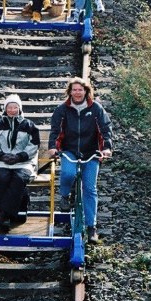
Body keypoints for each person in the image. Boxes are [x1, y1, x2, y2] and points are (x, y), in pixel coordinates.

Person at [47, 77, 112, 241]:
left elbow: (105, 129)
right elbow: (55, 131)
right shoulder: (62, 110)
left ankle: (91, 227)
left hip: (91, 152)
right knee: (67, 173)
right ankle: (64, 195)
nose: (77, 93)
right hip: (69, 150)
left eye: (80, 90)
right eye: (74, 90)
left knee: (90, 188)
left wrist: (106, 148)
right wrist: (53, 147)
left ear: (86, 91)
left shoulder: (96, 109)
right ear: (70, 92)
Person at [0, 93, 40, 230]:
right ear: (5, 109)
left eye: (15, 107)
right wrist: (1, 156)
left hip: (23, 162)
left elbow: (34, 145)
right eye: (9, 107)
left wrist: (19, 157)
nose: (12, 110)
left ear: (20, 109)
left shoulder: (29, 125)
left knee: (19, 178)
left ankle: (2, 215)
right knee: (2, 177)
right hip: (1, 161)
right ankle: (6, 217)